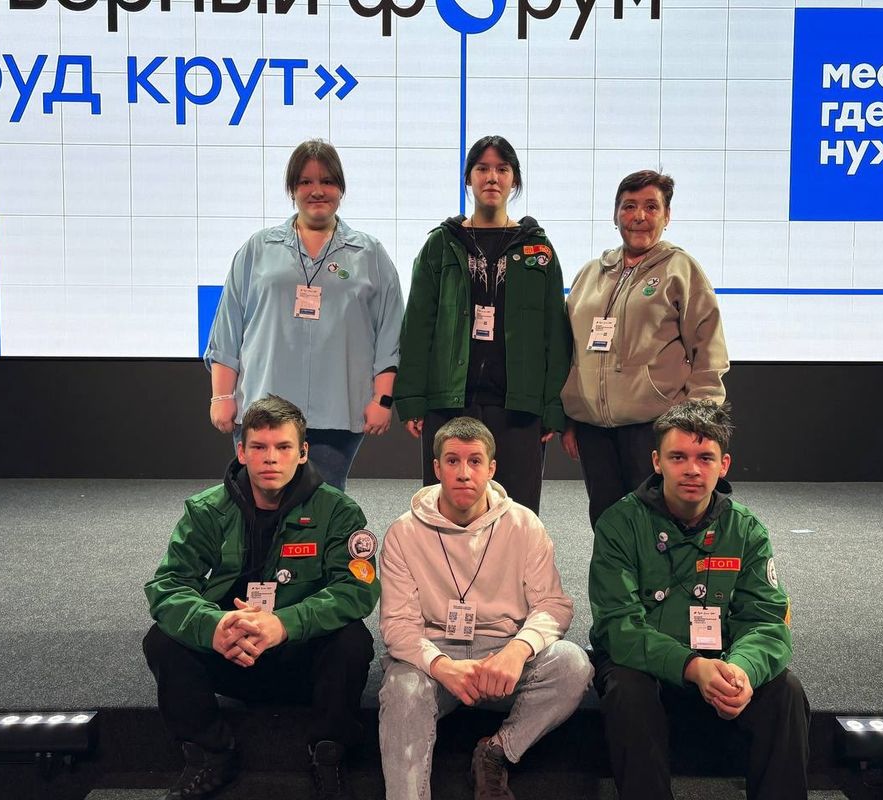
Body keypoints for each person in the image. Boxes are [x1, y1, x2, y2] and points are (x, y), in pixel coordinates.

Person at [143, 395, 380, 800]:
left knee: (352, 641)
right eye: (259, 447)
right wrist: (214, 625)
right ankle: (209, 753)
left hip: (300, 658)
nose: (271, 458)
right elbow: (168, 585)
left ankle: (329, 753)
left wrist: (284, 624)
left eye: (284, 447)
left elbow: (357, 589)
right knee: (162, 641)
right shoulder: (206, 510)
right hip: (231, 651)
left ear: (303, 453)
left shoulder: (338, 511)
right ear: (242, 451)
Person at [588, 399, 809, 800]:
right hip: (648, 667)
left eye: (705, 458)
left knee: (786, 691)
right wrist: (692, 667)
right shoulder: (619, 524)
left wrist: (741, 671)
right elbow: (618, 626)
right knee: (627, 688)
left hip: (721, 663)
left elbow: (766, 621)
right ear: (657, 462)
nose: (692, 469)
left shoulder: (746, 530)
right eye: (678, 457)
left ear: (724, 465)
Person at [378, 416, 593, 800]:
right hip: (436, 655)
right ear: (436, 468)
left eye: (475, 461)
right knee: (401, 689)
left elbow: (553, 605)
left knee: (573, 665)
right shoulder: (403, 532)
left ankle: (496, 751)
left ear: (491, 468)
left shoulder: (524, 524)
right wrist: (442, 666)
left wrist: (517, 650)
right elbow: (397, 625)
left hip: (502, 657)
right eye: (453, 461)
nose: (464, 473)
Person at [204, 139, 404, 492]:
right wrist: (221, 397)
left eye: (327, 181)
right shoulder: (258, 248)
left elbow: (390, 334)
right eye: (305, 182)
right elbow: (228, 329)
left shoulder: (370, 253)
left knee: (323, 506)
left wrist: (382, 399)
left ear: (341, 188)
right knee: (260, 503)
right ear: (292, 189)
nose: (317, 191)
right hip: (263, 408)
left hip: (338, 411)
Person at [394, 135, 570, 514]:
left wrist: (552, 407)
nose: (492, 177)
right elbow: (418, 326)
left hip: (517, 406)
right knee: (449, 510)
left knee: (516, 513)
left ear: (514, 180)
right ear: (468, 178)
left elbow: (554, 336)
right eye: (482, 168)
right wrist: (410, 399)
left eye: (502, 169)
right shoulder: (441, 244)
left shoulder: (539, 250)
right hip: (449, 402)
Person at [561, 170, 729, 529]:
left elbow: (708, 350)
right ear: (615, 215)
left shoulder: (681, 270)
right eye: (629, 206)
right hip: (594, 429)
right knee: (607, 520)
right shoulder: (590, 274)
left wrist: (697, 422)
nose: (639, 216)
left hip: (655, 426)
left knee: (658, 524)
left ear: (667, 216)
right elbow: (571, 350)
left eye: (651, 207)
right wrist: (570, 416)